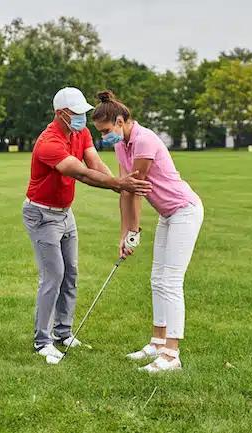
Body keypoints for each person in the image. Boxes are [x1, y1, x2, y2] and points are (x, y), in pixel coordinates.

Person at [23, 87, 152, 363]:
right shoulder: (49, 142)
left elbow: (94, 162)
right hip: (42, 215)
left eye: (83, 111)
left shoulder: (80, 132)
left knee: (71, 273)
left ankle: (63, 333)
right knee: (53, 275)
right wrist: (120, 183)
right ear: (60, 114)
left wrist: (120, 188)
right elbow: (81, 173)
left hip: (65, 213)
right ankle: (42, 341)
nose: (82, 116)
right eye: (76, 113)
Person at [91, 90, 204, 372]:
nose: (104, 137)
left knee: (171, 281)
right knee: (157, 278)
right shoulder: (122, 145)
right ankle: (157, 342)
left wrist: (135, 226)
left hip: (184, 210)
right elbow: (124, 191)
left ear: (120, 121)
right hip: (168, 214)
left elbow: (136, 189)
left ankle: (171, 356)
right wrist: (126, 234)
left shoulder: (143, 140)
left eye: (106, 131)